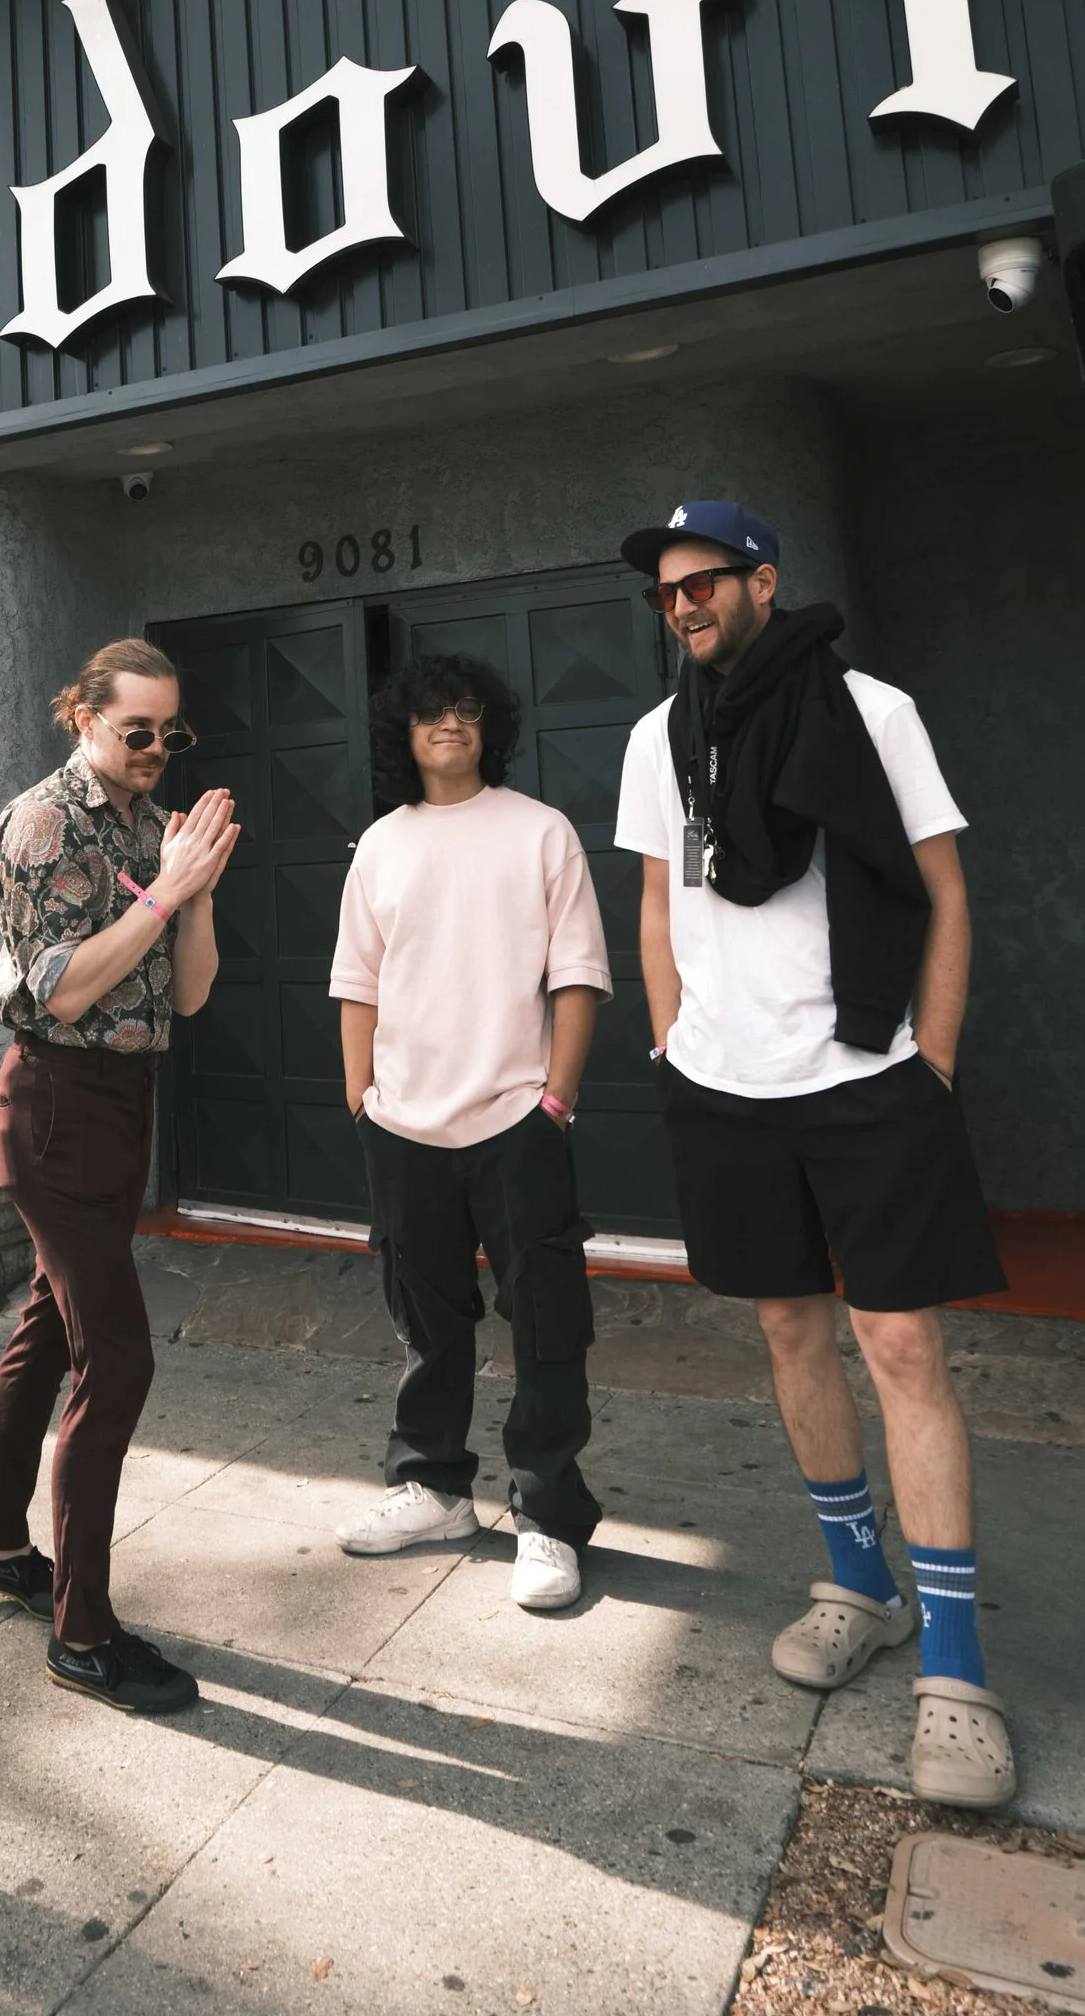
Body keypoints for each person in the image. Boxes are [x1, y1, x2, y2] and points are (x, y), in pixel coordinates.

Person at [612, 499, 1015, 1809]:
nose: (684, 604)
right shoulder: (657, 736)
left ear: (763, 582)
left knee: (902, 1345)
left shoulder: (872, 708)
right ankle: (860, 1586)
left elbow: (943, 888)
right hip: (724, 1087)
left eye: (706, 582)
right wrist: (671, 1039)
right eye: (667, 591)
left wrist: (931, 1060)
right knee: (791, 1332)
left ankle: (954, 1673)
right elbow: (661, 905)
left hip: (865, 1073)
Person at [0, 641, 238, 1716]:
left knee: (47, 1323)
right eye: (137, 731)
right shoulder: (45, 822)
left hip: (124, 1107)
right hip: (57, 1106)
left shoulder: (140, 826)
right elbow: (66, 991)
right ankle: (81, 1633)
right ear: (81, 716)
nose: (157, 751)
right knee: (114, 1365)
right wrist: (165, 892)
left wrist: (195, 889)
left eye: (174, 734)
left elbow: (194, 994)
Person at [332, 651, 614, 1611]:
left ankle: (547, 1516)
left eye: (464, 711)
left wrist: (557, 1100)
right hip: (404, 1124)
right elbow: (356, 984)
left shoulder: (541, 833)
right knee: (427, 1319)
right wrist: (359, 1099)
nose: (447, 725)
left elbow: (577, 974)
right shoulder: (382, 844)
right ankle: (432, 1488)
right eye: (427, 715)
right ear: (401, 735)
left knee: (546, 1324)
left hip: (515, 1119)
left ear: (490, 727)